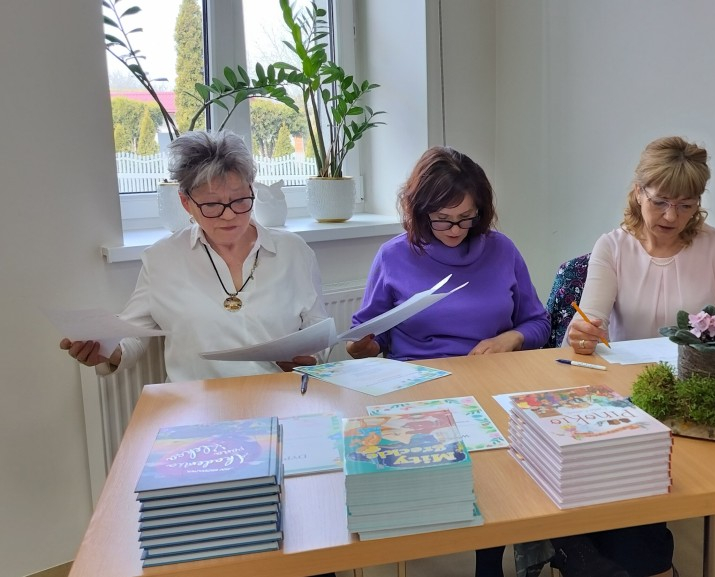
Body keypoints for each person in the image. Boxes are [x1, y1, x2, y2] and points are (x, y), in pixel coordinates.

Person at [558, 136, 715, 577]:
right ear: (638, 192)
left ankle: (612, 557)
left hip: (695, 388)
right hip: (624, 394)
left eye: (686, 205)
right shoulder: (613, 247)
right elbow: (588, 324)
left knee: (637, 480)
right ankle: (628, 558)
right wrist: (584, 335)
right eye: (661, 202)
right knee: (621, 470)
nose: (671, 216)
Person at [346, 145, 550, 577]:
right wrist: (364, 346)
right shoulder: (394, 255)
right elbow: (370, 332)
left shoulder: (502, 250)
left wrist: (510, 338)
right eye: (442, 219)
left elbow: (538, 322)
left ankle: (489, 561)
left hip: (490, 381)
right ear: (419, 211)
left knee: (499, 471)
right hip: (417, 388)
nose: (455, 229)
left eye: (466, 218)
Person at [60, 130, 329, 382]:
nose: (228, 215)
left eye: (239, 200)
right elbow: (132, 339)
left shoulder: (294, 251)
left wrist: (310, 360)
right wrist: (106, 351)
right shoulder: (162, 259)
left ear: (252, 191)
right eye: (212, 204)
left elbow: (320, 332)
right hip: (195, 403)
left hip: (277, 396)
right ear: (186, 202)